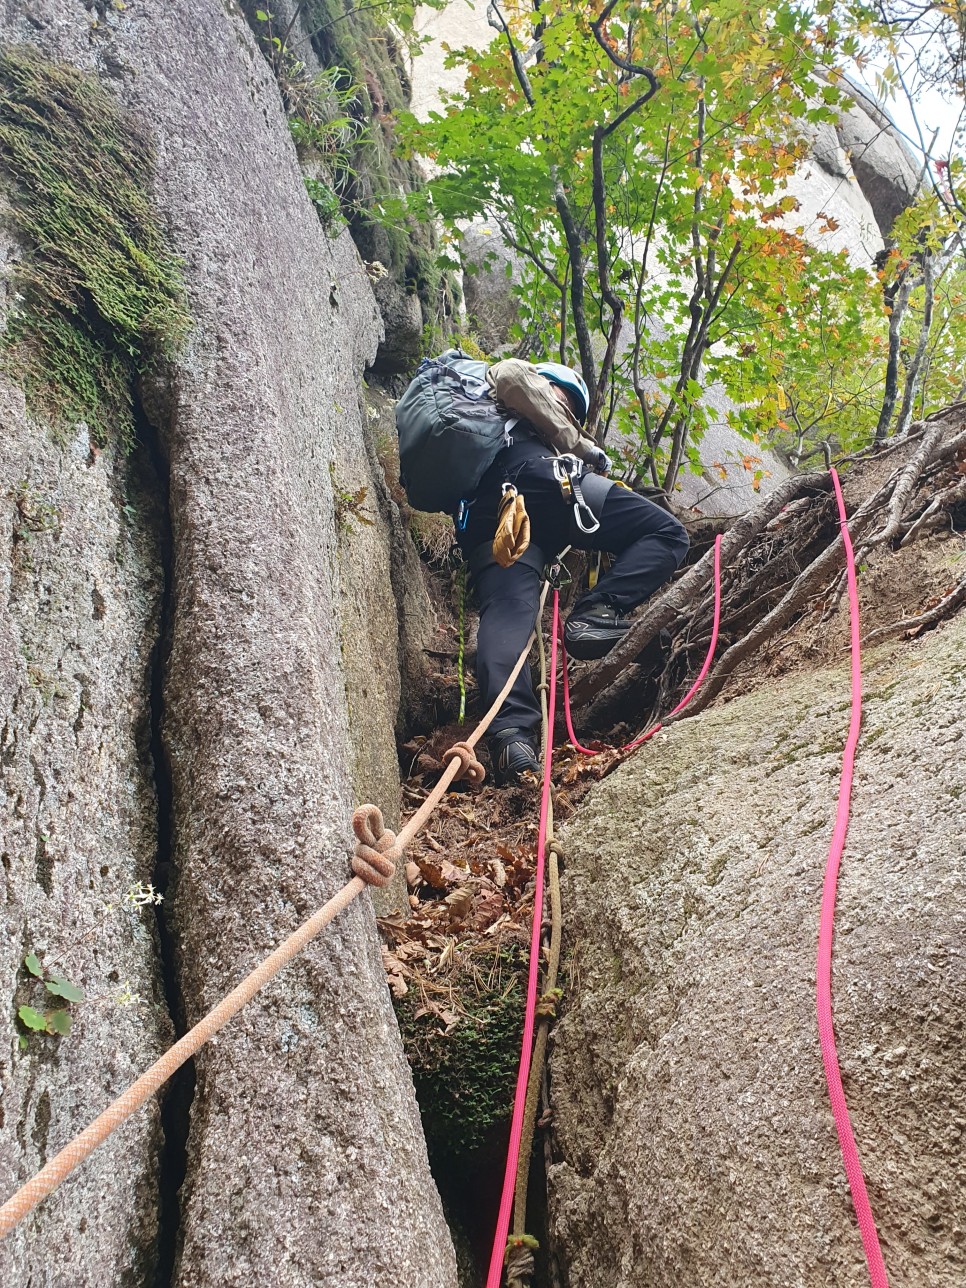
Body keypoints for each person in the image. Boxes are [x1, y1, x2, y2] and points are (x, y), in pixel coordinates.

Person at [456, 357, 690, 784]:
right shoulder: (514, 386)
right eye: (565, 404)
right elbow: (511, 377)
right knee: (666, 533)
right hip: (546, 483)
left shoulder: (488, 427)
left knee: (507, 613)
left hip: (487, 519)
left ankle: (511, 740)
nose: (567, 416)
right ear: (551, 388)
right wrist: (582, 449)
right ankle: (594, 617)